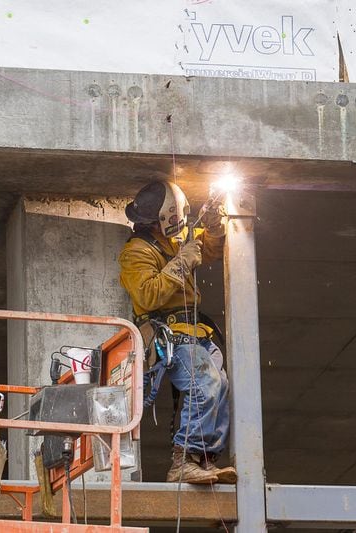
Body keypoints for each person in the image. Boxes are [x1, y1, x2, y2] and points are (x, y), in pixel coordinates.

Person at [118, 180, 237, 484]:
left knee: (221, 385)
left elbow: (209, 247)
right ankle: (183, 461)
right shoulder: (136, 253)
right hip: (168, 334)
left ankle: (204, 460)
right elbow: (147, 296)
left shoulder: (176, 238)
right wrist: (181, 263)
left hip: (195, 331)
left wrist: (214, 227)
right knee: (205, 382)